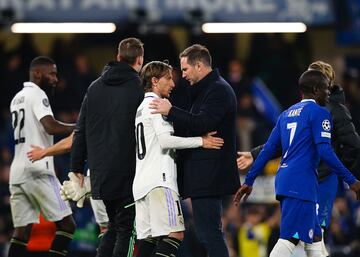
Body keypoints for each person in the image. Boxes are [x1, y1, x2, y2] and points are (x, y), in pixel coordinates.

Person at [237, 61, 360, 256]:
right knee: (291, 238)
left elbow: (270, 149)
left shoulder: (286, 114)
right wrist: (351, 180)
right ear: (315, 89)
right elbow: (326, 152)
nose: (329, 93)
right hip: (302, 182)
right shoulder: (320, 113)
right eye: (325, 89)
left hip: (288, 180)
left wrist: (250, 179)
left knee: (314, 239)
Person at [150, 44, 239, 257]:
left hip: (209, 175)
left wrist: (171, 111)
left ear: (199, 65)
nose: (182, 75)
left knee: (210, 234)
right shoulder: (206, 90)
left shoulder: (218, 89)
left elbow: (203, 122)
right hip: (204, 175)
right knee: (207, 233)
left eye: (185, 69)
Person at [134, 61, 224, 257]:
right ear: (155, 81)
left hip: (141, 184)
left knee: (148, 242)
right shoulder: (155, 105)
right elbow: (165, 140)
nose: (173, 84)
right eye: (168, 79)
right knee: (175, 234)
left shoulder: (141, 107)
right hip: (160, 182)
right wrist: (201, 141)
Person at [70, 37, 144, 257]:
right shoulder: (140, 88)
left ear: (118, 57)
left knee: (112, 226)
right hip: (129, 173)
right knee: (128, 230)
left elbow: (80, 129)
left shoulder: (94, 87)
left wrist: (76, 167)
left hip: (100, 173)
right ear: (139, 60)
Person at [8, 56, 76, 257]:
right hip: (38, 169)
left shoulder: (16, 98)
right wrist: (78, 127)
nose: (55, 78)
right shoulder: (38, 95)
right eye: (52, 73)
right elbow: (50, 126)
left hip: (17, 172)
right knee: (67, 225)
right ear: (37, 73)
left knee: (21, 233)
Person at [26, 133, 109, 235]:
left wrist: (44, 152)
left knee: (108, 228)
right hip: (123, 171)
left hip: (101, 172)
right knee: (119, 227)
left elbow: (72, 141)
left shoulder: (91, 117)